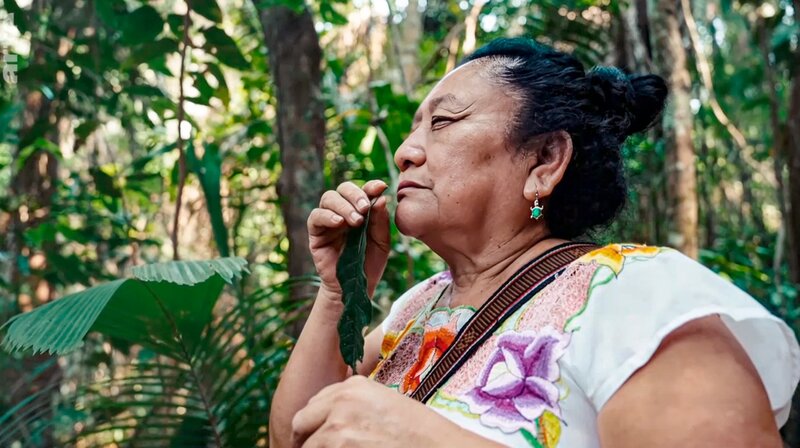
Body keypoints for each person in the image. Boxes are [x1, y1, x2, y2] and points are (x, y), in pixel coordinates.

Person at [268, 38, 800, 448]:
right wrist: (339, 294)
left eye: (443, 122)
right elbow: (295, 434)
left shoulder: (634, 292)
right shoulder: (416, 309)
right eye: (413, 129)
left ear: (545, 161)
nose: (406, 151)